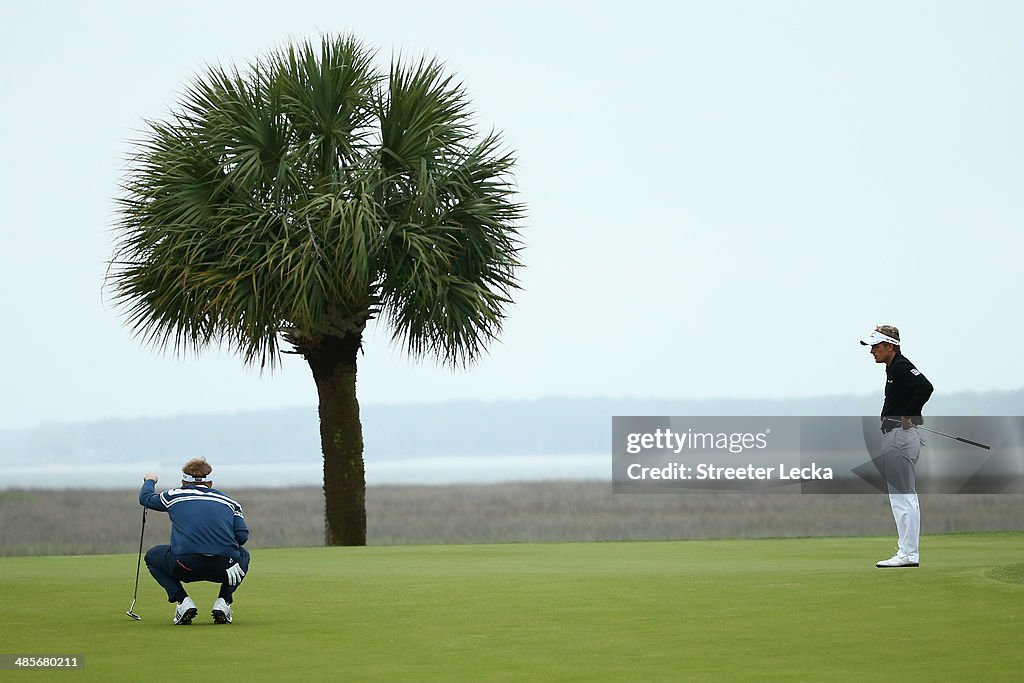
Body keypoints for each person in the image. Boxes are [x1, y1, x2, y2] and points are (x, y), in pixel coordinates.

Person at [139, 458, 251, 624]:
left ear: (183, 481)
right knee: (243, 556)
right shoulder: (231, 503)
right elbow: (242, 537)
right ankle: (224, 602)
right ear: (210, 483)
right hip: (224, 567)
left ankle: (182, 601)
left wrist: (150, 480)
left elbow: (146, 498)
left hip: (185, 565)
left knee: (152, 557)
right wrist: (227, 553)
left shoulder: (174, 495)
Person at [860, 325, 934, 568]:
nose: (872, 351)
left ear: (889, 346)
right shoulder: (893, 368)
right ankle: (907, 552)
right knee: (902, 497)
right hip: (898, 437)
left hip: (900, 437)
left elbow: (925, 387)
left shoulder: (901, 367)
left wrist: (908, 413)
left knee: (903, 498)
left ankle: (908, 554)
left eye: (876, 346)